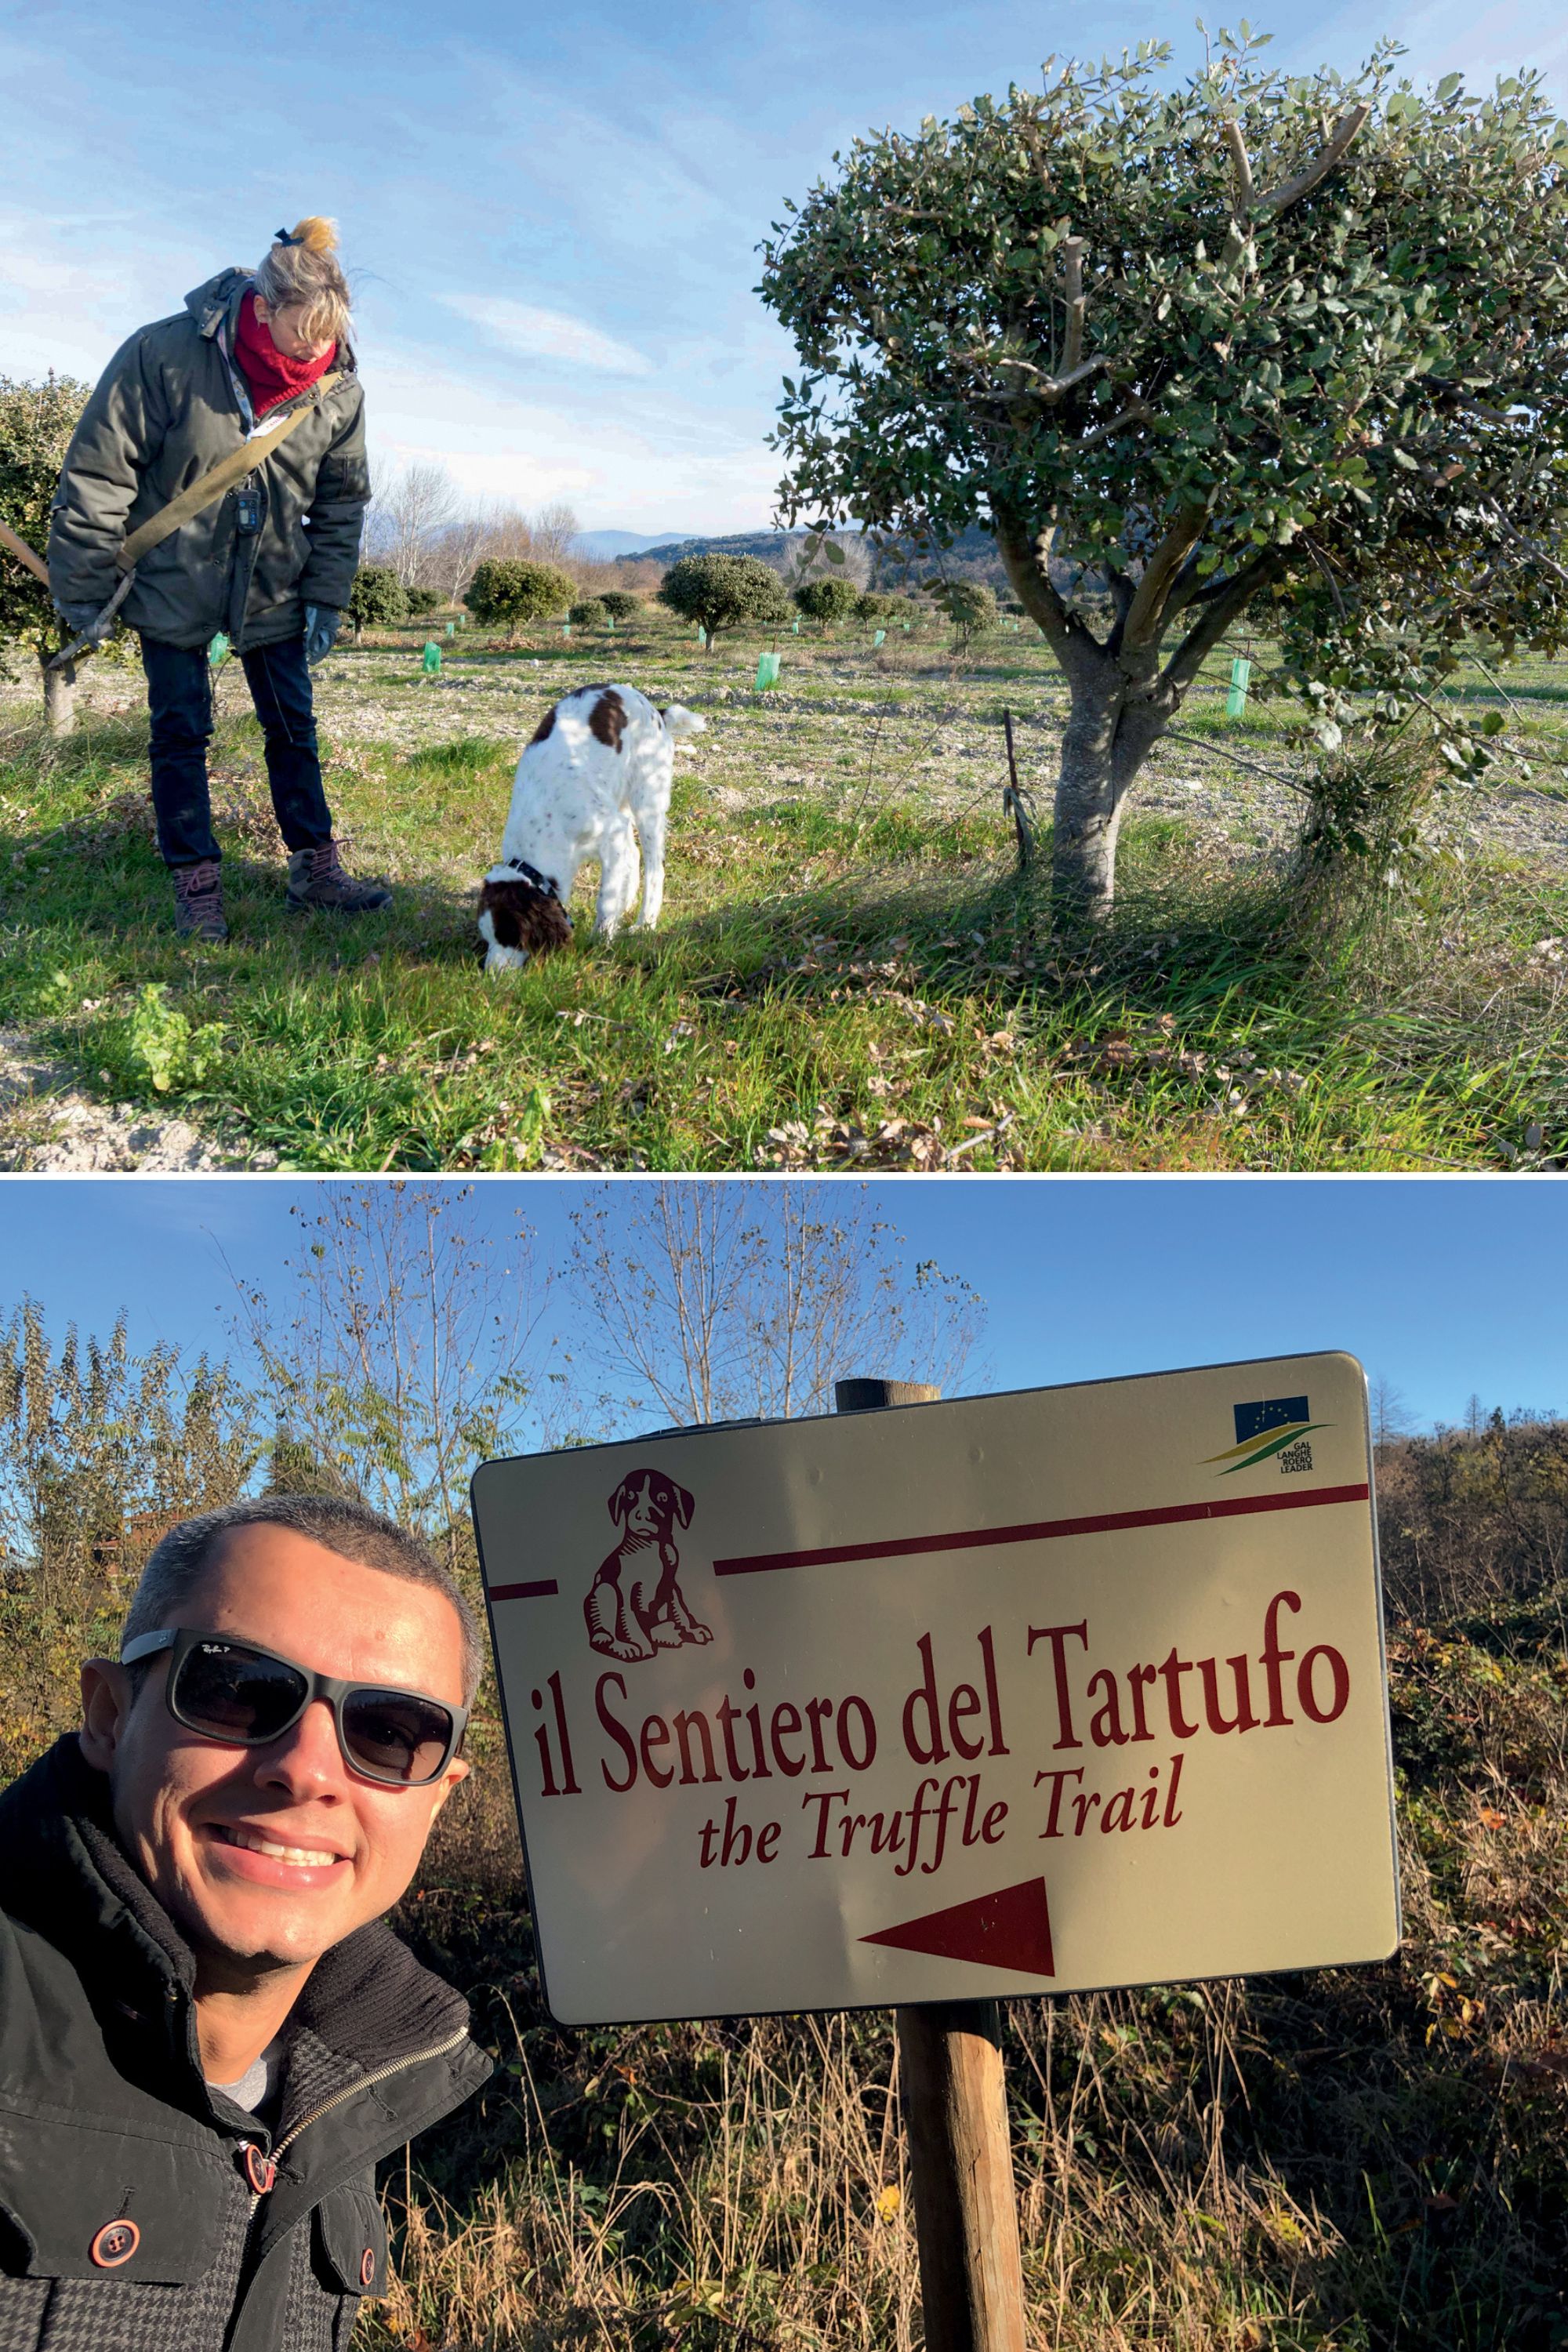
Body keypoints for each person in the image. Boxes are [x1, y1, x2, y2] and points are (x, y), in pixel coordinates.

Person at [0, 1494, 493, 2350]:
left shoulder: (343, 2086)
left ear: (437, 1799)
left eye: (389, 1731)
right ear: (109, 1715)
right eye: (237, 1690)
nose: (308, 1771)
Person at [48, 219, 391, 942]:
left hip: (274, 586)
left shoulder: (339, 391)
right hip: (173, 580)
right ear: (262, 310)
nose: (316, 354)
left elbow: (341, 505)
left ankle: (316, 868)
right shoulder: (162, 354)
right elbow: (99, 475)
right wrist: (83, 592)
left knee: (293, 728)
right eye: (303, 336)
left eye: (329, 337)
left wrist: (326, 596)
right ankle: (196, 882)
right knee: (179, 732)